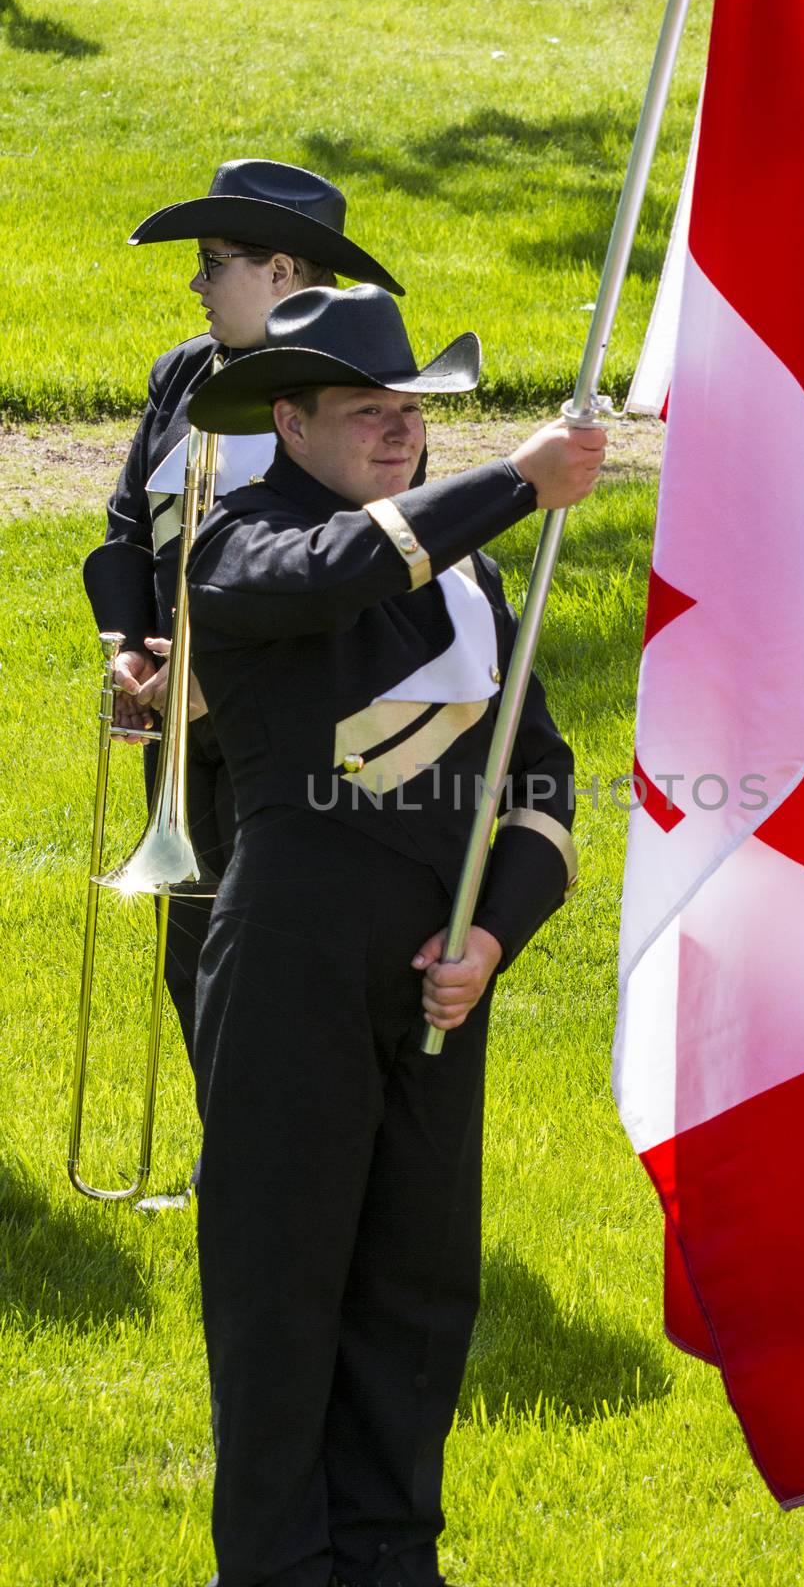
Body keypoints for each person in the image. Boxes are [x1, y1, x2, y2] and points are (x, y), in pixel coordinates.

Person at [182, 282, 606, 1587]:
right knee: (279, 1301)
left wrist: (490, 943)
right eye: (364, 410)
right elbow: (344, 566)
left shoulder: (470, 580)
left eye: (410, 410)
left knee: (417, 1301)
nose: (395, 429)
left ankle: (386, 1558)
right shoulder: (240, 543)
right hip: (290, 963)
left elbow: (541, 783)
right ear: (290, 420)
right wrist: (515, 480)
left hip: (432, 984)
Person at [81, 160, 403, 1207]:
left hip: (283, 718)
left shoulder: (352, 392)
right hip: (178, 712)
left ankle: (294, 1185)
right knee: (193, 955)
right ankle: (241, 1173)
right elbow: (131, 529)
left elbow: (355, 573)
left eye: (213, 266)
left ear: (277, 269)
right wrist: (124, 644)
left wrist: (212, 677)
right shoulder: (183, 374)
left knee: (271, 964)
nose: (197, 285)